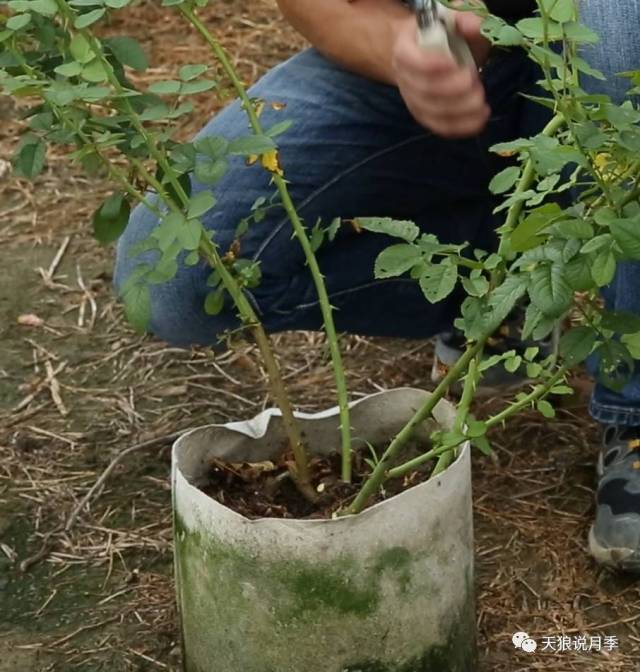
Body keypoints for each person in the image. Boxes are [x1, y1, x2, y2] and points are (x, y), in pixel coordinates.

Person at [114, 0, 640, 572]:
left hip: (609, 73)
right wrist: (402, 49)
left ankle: (634, 412)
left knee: (617, 41)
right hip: (463, 59)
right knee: (168, 279)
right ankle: (501, 290)